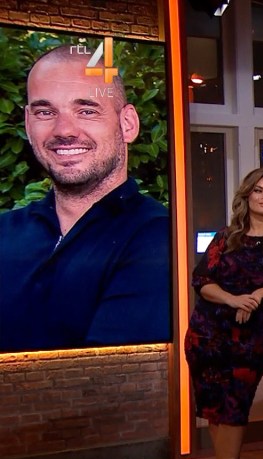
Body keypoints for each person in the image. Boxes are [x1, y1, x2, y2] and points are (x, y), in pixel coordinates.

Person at [0, 46, 170, 353]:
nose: (64, 130)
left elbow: (108, 375)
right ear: (27, 123)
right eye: (45, 112)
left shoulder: (158, 236)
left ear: (127, 124)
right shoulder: (6, 231)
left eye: (87, 111)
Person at [184, 168, 263, 459]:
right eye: (259, 191)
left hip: (250, 340)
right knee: (215, 410)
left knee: (235, 408)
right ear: (247, 195)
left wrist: (257, 295)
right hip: (207, 336)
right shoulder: (226, 237)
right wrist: (232, 299)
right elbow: (201, 280)